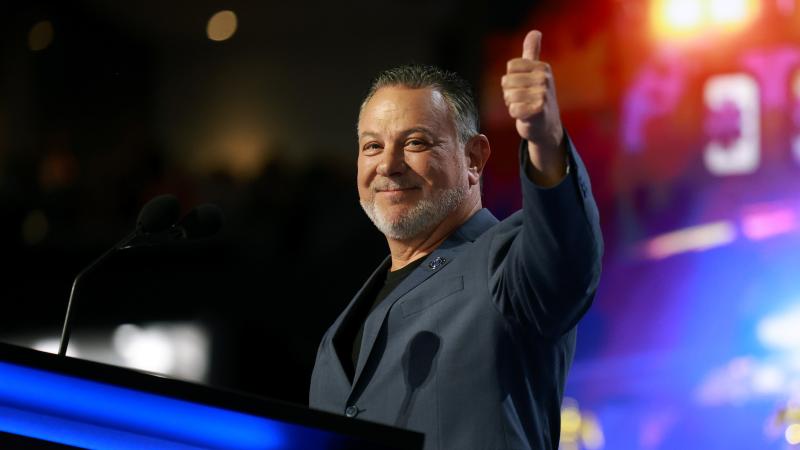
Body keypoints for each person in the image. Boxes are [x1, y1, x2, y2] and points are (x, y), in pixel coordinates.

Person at [309, 30, 602, 450]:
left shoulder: (507, 267)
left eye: (415, 142)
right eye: (372, 146)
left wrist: (546, 140)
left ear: (474, 159)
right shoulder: (340, 329)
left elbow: (566, 252)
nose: (388, 165)